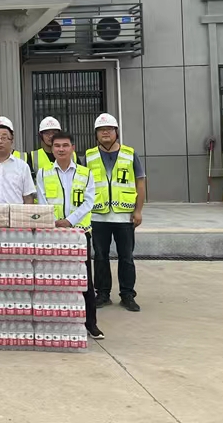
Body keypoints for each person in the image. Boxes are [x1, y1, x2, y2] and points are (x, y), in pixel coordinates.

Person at [36, 131, 104, 340]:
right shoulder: (43, 173)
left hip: (79, 233)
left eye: (65, 145)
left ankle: (91, 324)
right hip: (52, 233)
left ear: (73, 148)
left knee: (84, 279)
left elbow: (89, 202)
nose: (61, 149)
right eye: (57, 146)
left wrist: (70, 221)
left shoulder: (86, 173)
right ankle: (58, 322)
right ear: (52, 148)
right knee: (54, 278)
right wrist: (54, 221)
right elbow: (42, 200)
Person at [85, 113, 146, 312]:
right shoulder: (89, 156)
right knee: (100, 257)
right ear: (96, 134)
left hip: (124, 216)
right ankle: (102, 294)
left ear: (116, 132)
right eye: (101, 130)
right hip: (98, 215)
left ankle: (127, 295)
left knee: (126, 257)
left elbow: (140, 183)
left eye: (109, 129)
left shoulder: (130, 154)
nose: (105, 133)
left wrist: (138, 210)